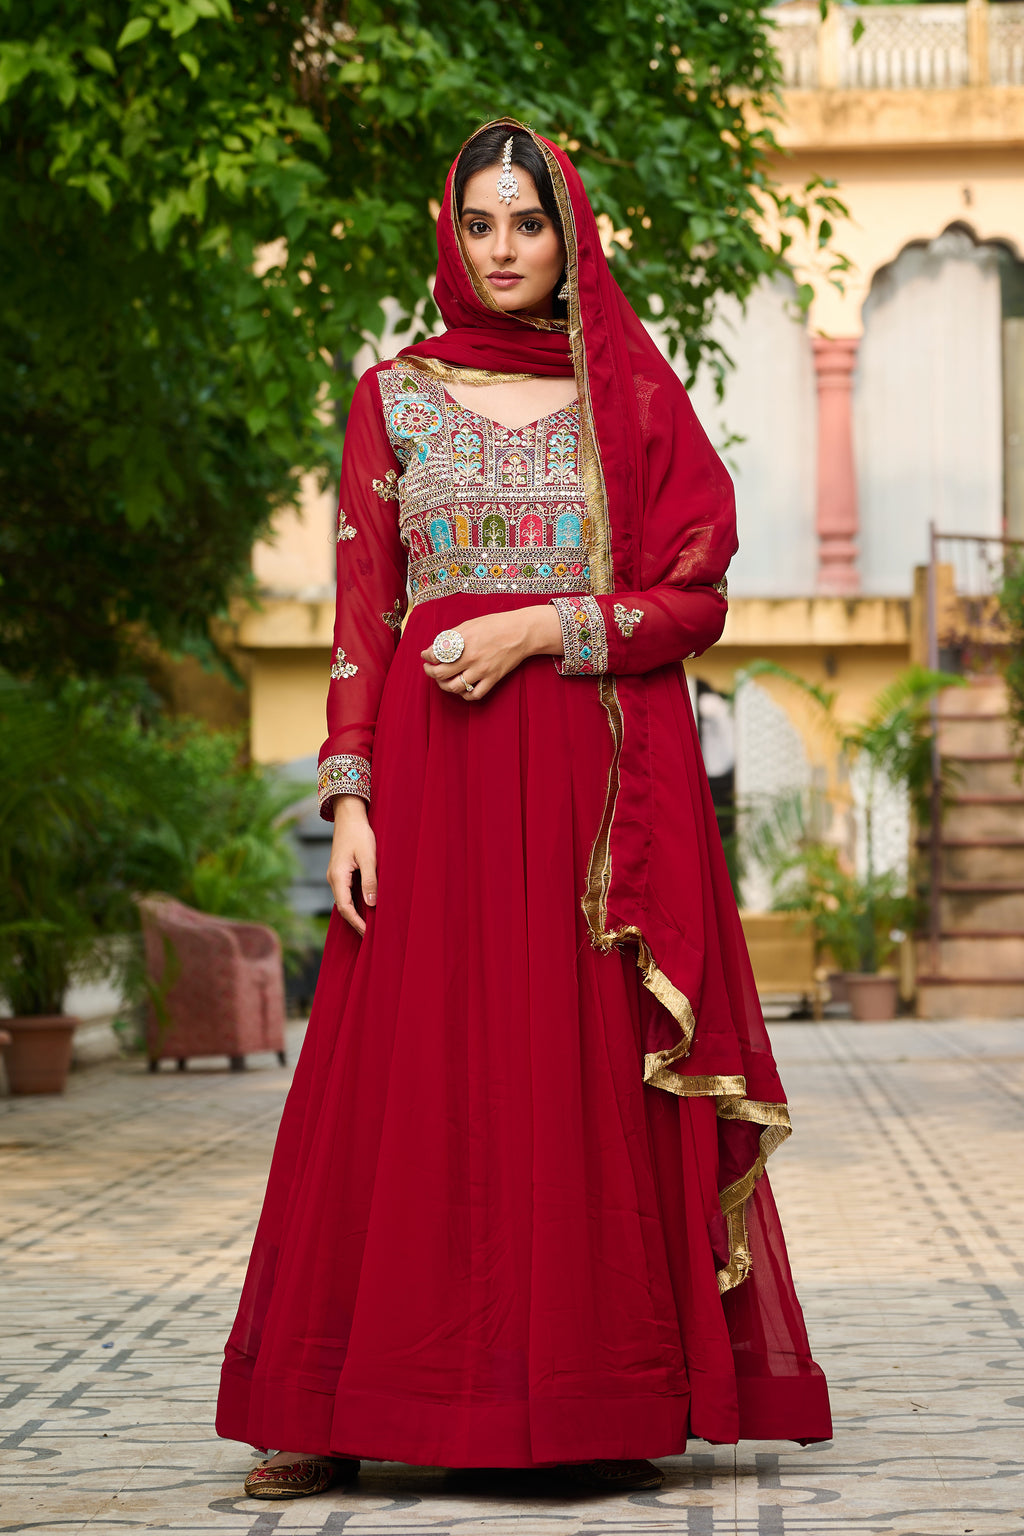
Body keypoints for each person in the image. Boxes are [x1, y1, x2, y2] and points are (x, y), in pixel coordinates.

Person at [216, 118, 832, 1500]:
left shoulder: (623, 388)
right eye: (481, 224)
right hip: (432, 789)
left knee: (573, 1073)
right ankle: (331, 1396)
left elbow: (696, 595)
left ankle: (593, 1392)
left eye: (527, 224)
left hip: (591, 791)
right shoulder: (395, 395)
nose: (503, 250)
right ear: (454, 234)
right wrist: (352, 795)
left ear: (568, 235)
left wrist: (544, 629)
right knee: (401, 1070)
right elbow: (364, 612)